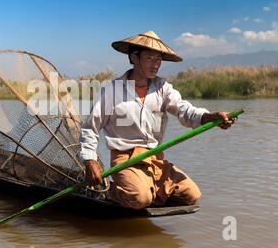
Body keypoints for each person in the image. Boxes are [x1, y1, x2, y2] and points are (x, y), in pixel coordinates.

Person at [79, 30, 236, 209]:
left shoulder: (163, 88)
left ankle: (147, 191)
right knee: (140, 198)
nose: (155, 65)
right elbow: (90, 128)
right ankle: (113, 191)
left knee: (191, 195)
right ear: (134, 58)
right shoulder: (112, 91)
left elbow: (185, 111)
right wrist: (90, 160)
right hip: (125, 161)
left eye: (158, 59)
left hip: (155, 159)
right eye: (149, 58)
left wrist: (209, 117)